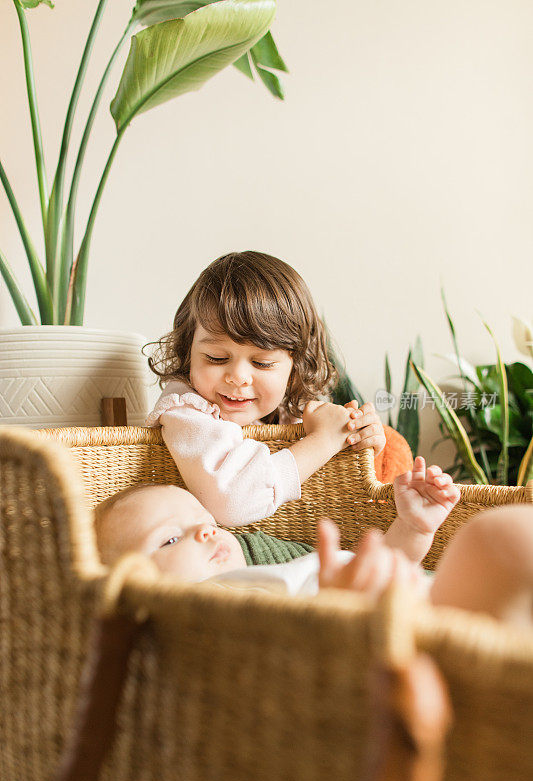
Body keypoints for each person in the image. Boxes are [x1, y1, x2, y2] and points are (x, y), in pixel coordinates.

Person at [94, 458, 533, 627]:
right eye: (171, 539)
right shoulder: (206, 623)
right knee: (498, 538)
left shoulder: (264, 574)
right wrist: (340, 613)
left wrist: (414, 528)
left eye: (205, 521)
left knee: (503, 537)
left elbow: (381, 567)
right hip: (413, 638)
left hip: (422, 600)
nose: (206, 531)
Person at [146, 251, 386, 527]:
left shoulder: (287, 413)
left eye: (262, 363)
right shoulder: (185, 410)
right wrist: (324, 441)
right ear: (188, 350)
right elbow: (232, 502)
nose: (238, 377)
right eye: (216, 358)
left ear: (295, 367)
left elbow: (329, 501)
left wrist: (356, 446)